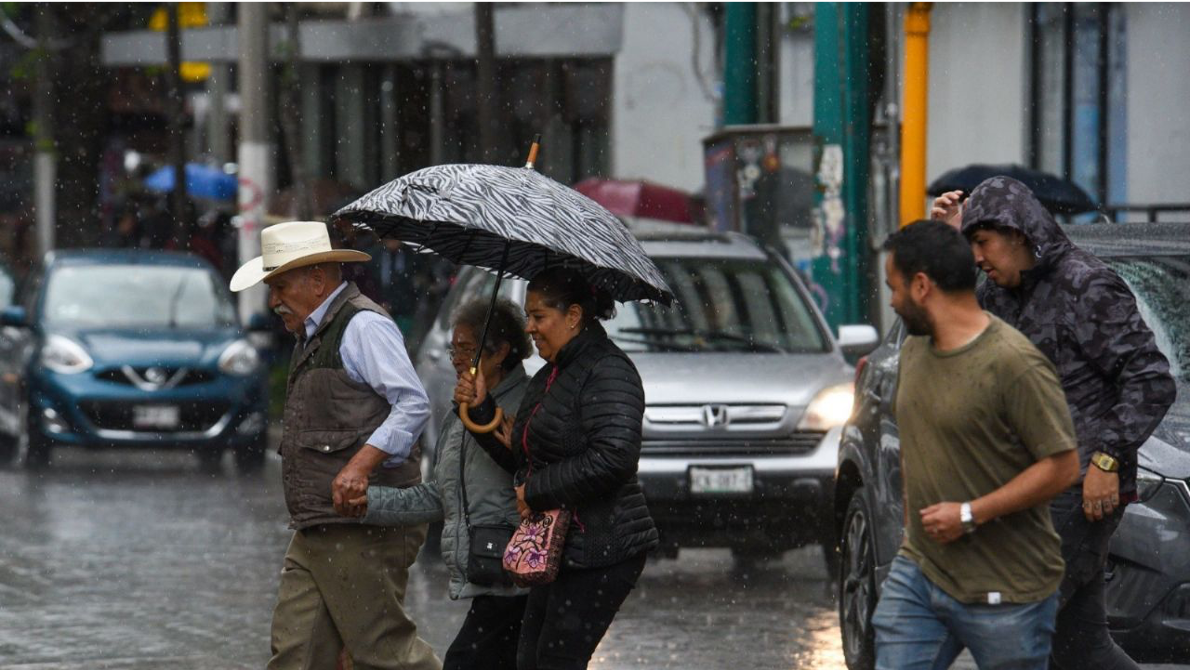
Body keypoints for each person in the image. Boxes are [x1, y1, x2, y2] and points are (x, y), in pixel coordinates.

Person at [934, 178, 1176, 669]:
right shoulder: (1002, 294)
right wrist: (947, 243)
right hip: (1028, 485)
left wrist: (1108, 459)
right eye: (972, 245)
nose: (978, 256)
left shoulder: (1086, 284)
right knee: (1080, 646)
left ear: (1017, 232)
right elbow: (951, 328)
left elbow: (1151, 380)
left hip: (1077, 484)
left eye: (983, 243)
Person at [229, 220, 440, 670]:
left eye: (280, 286)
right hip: (319, 524)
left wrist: (360, 467)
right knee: (297, 655)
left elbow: (412, 405)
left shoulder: (363, 326)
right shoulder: (313, 332)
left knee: (384, 653)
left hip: (361, 525)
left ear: (318, 279)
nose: (273, 302)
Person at [872, 220, 1080, 670]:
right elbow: (917, 439)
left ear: (922, 285)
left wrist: (970, 513)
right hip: (921, 571)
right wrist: (913, 530)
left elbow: (1062, 467)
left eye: (894, 288)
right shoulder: (914, 351)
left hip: (1008, 588)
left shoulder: (1014, 363)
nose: (891, 301)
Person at [456, 267, 659, 670]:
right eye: (528, 316)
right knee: (529, 659)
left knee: (555, 660)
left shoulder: (609, 371)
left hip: (603, 548)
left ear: (574, 316)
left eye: (539, 316)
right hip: (560, 548)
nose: (529, 327)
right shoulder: (552, 375)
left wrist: (535, 491)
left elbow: (614, 457)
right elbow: (526, 459)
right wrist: (480, 409)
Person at [343, 298, 533, 670]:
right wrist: (371, 502)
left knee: (464, 661)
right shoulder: (459, 413)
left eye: (466, 348)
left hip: (516, 573)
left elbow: (532, 473)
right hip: (486, 571)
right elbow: (441, 494)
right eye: (453, 347)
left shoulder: (527, 404)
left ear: (500, 353)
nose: (455, 358)